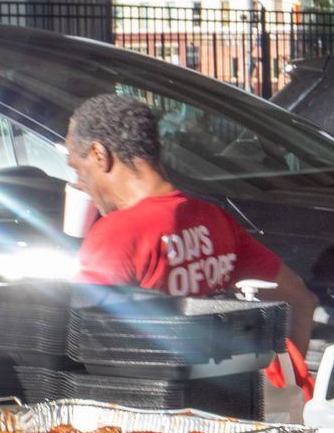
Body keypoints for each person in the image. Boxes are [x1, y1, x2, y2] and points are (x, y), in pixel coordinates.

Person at [67, 93, 316, 355]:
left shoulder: (115, 235)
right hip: (226, 387)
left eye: (77, 169)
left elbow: (82, 336)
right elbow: (300, 300)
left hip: (151, 391)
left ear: (98, 154)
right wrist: (292, 383)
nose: (79, 183)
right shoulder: (215, 220)